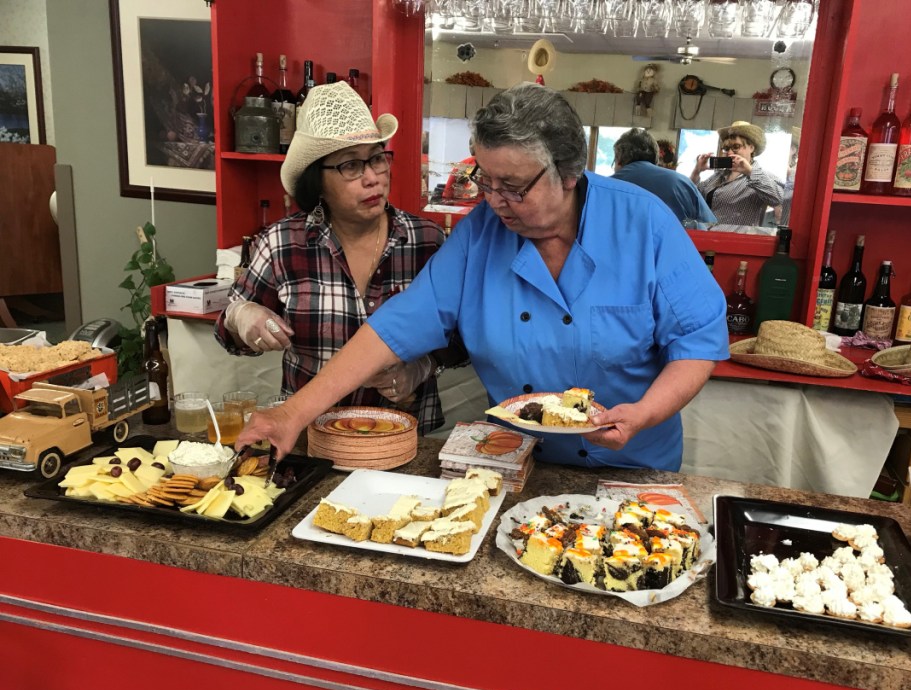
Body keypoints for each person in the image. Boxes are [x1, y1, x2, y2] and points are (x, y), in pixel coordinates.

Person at [239, 83, 729, 472]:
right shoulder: (479, 237)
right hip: (520, 464)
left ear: (570, 173)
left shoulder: (644, 222)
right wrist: (291, 414)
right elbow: (392, 329)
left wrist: (644, 414)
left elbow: (698, 342)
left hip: (634, 467)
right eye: (485, 181)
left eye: (512, 187)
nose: (494, 200)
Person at [214, 81, 463, 434]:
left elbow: (460, 339)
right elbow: (227, 332)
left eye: (377, 158)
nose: (372, 178)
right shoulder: (284, 244)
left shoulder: (426, 242)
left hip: (407, 438)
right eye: (351, 166)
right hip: (310, 438)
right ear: (317, 180)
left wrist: (422, 366)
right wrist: (242, 317)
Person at [611, 128, 716, 229]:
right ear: (655, 158)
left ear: (618, 158)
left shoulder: (603, 187)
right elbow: (708, 226)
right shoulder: (682, 182)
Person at [690, 120, 783, 227]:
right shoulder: (719, 176)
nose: (729, 152)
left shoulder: (764, 176)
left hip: (738, 241)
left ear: (751, 148)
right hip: (709, 237)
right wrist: (697, 171)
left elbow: (779, 199)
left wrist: (750, 172)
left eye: (736, 147)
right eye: (726, 148)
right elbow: (692, 197)